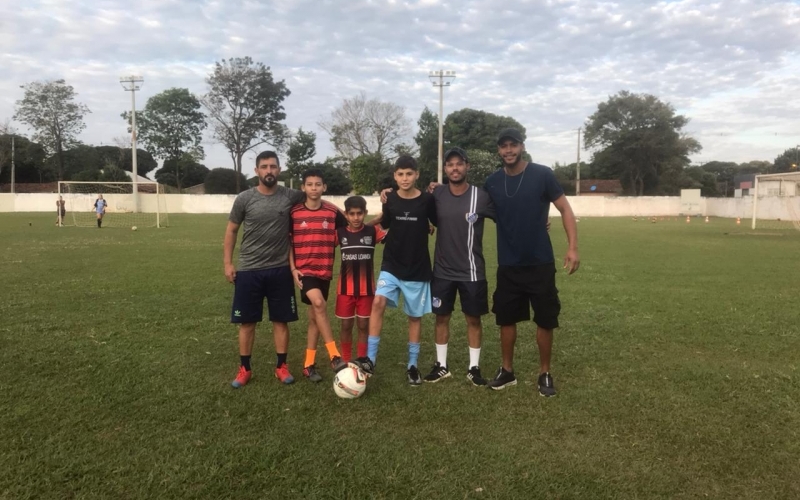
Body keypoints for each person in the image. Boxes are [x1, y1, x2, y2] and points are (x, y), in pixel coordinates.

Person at [483, 128, 580, 396]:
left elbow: (564, 209)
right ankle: (507, 371)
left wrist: (572, 247)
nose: (508, 150)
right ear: (499, 151)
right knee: (505, 319)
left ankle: (544, 373)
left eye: (513, 145)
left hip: (540, 263)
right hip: (509, 264)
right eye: (503, 146)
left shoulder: (542, 174)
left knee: (545, 319)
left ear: (522, 146)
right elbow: (468, 202)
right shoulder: (491, 182)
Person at [224, 151, 304, 389]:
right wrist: (228, 263)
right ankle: (244, 369)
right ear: (257, 171)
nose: (269, 170)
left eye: (273, 166)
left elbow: (315, 194)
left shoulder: (290, 196)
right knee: (247, 322)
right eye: (264, 166)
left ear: (279, 170)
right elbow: (231, 231)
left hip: (280, 270)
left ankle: (281, 366)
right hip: (249, 270)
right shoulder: (244, 199)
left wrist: (386, 194)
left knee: (281, 321)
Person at [356, 155, 437, 385]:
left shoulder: (427, 200)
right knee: (378, 302)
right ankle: (370, 359)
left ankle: (412, 366)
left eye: (409, 174)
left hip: (418, 267)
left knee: (414, 316)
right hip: (391, 264)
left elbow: (437, 221)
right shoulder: (389, 198)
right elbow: (386, 222)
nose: (404, 178)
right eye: (400, 174)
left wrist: (429, 224)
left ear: (417, 175)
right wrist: (360, 227)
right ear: (394, 176)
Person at [424, 147, 495, 386]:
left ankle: (474, 368)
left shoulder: (481, 196)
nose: (455, 168)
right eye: (450, 164)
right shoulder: (437, 194)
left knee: (473, 320)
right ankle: (441, 366)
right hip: (442, 271)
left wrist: (541, 219)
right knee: (441, 318)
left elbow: (507, 215)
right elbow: (413, 202)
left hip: (472, 272)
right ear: (445, 169)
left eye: (459, 164)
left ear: (467, 167)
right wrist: (386, 194)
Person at [289, 168, 348, 383]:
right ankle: (334, 355)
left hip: (325, 272)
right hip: (305, 271)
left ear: (324, 187)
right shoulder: (294, 212)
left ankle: (308, 365)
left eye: (318, 184)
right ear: (303, 187)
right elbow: (288, 242)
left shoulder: (333, 212)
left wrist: (378, 221)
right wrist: (293, 268)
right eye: (310, 184)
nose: (314, 188)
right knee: (319, 304)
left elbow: (351, 230)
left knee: (315, 318)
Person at [334, 195, 388, 364]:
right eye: (352, 214)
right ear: (346, 214)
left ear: (365, 213)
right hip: (345, 290)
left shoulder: (372, 231)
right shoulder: (340, 233)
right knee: (346, 326)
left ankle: (361, 359)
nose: (356, 218)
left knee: (364, 325)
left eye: (359, 213)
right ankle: (346, 359)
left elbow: (395, 236)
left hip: (367, 290)